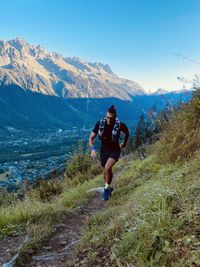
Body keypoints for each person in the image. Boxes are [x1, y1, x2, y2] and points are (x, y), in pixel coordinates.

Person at [88, 105, 129, 201]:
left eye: (111, 118)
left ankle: (106, 189)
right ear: (106, 116)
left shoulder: (120, 125)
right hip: (103, 150)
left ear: (115, 117)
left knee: (107, 167)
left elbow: (127, 132)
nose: (109, 120)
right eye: (108, 117)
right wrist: (92, 149)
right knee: (106, 170)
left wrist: (124, 143)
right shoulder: (100, 123)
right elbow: (91, 138)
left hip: (115, 149)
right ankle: (109, 186)